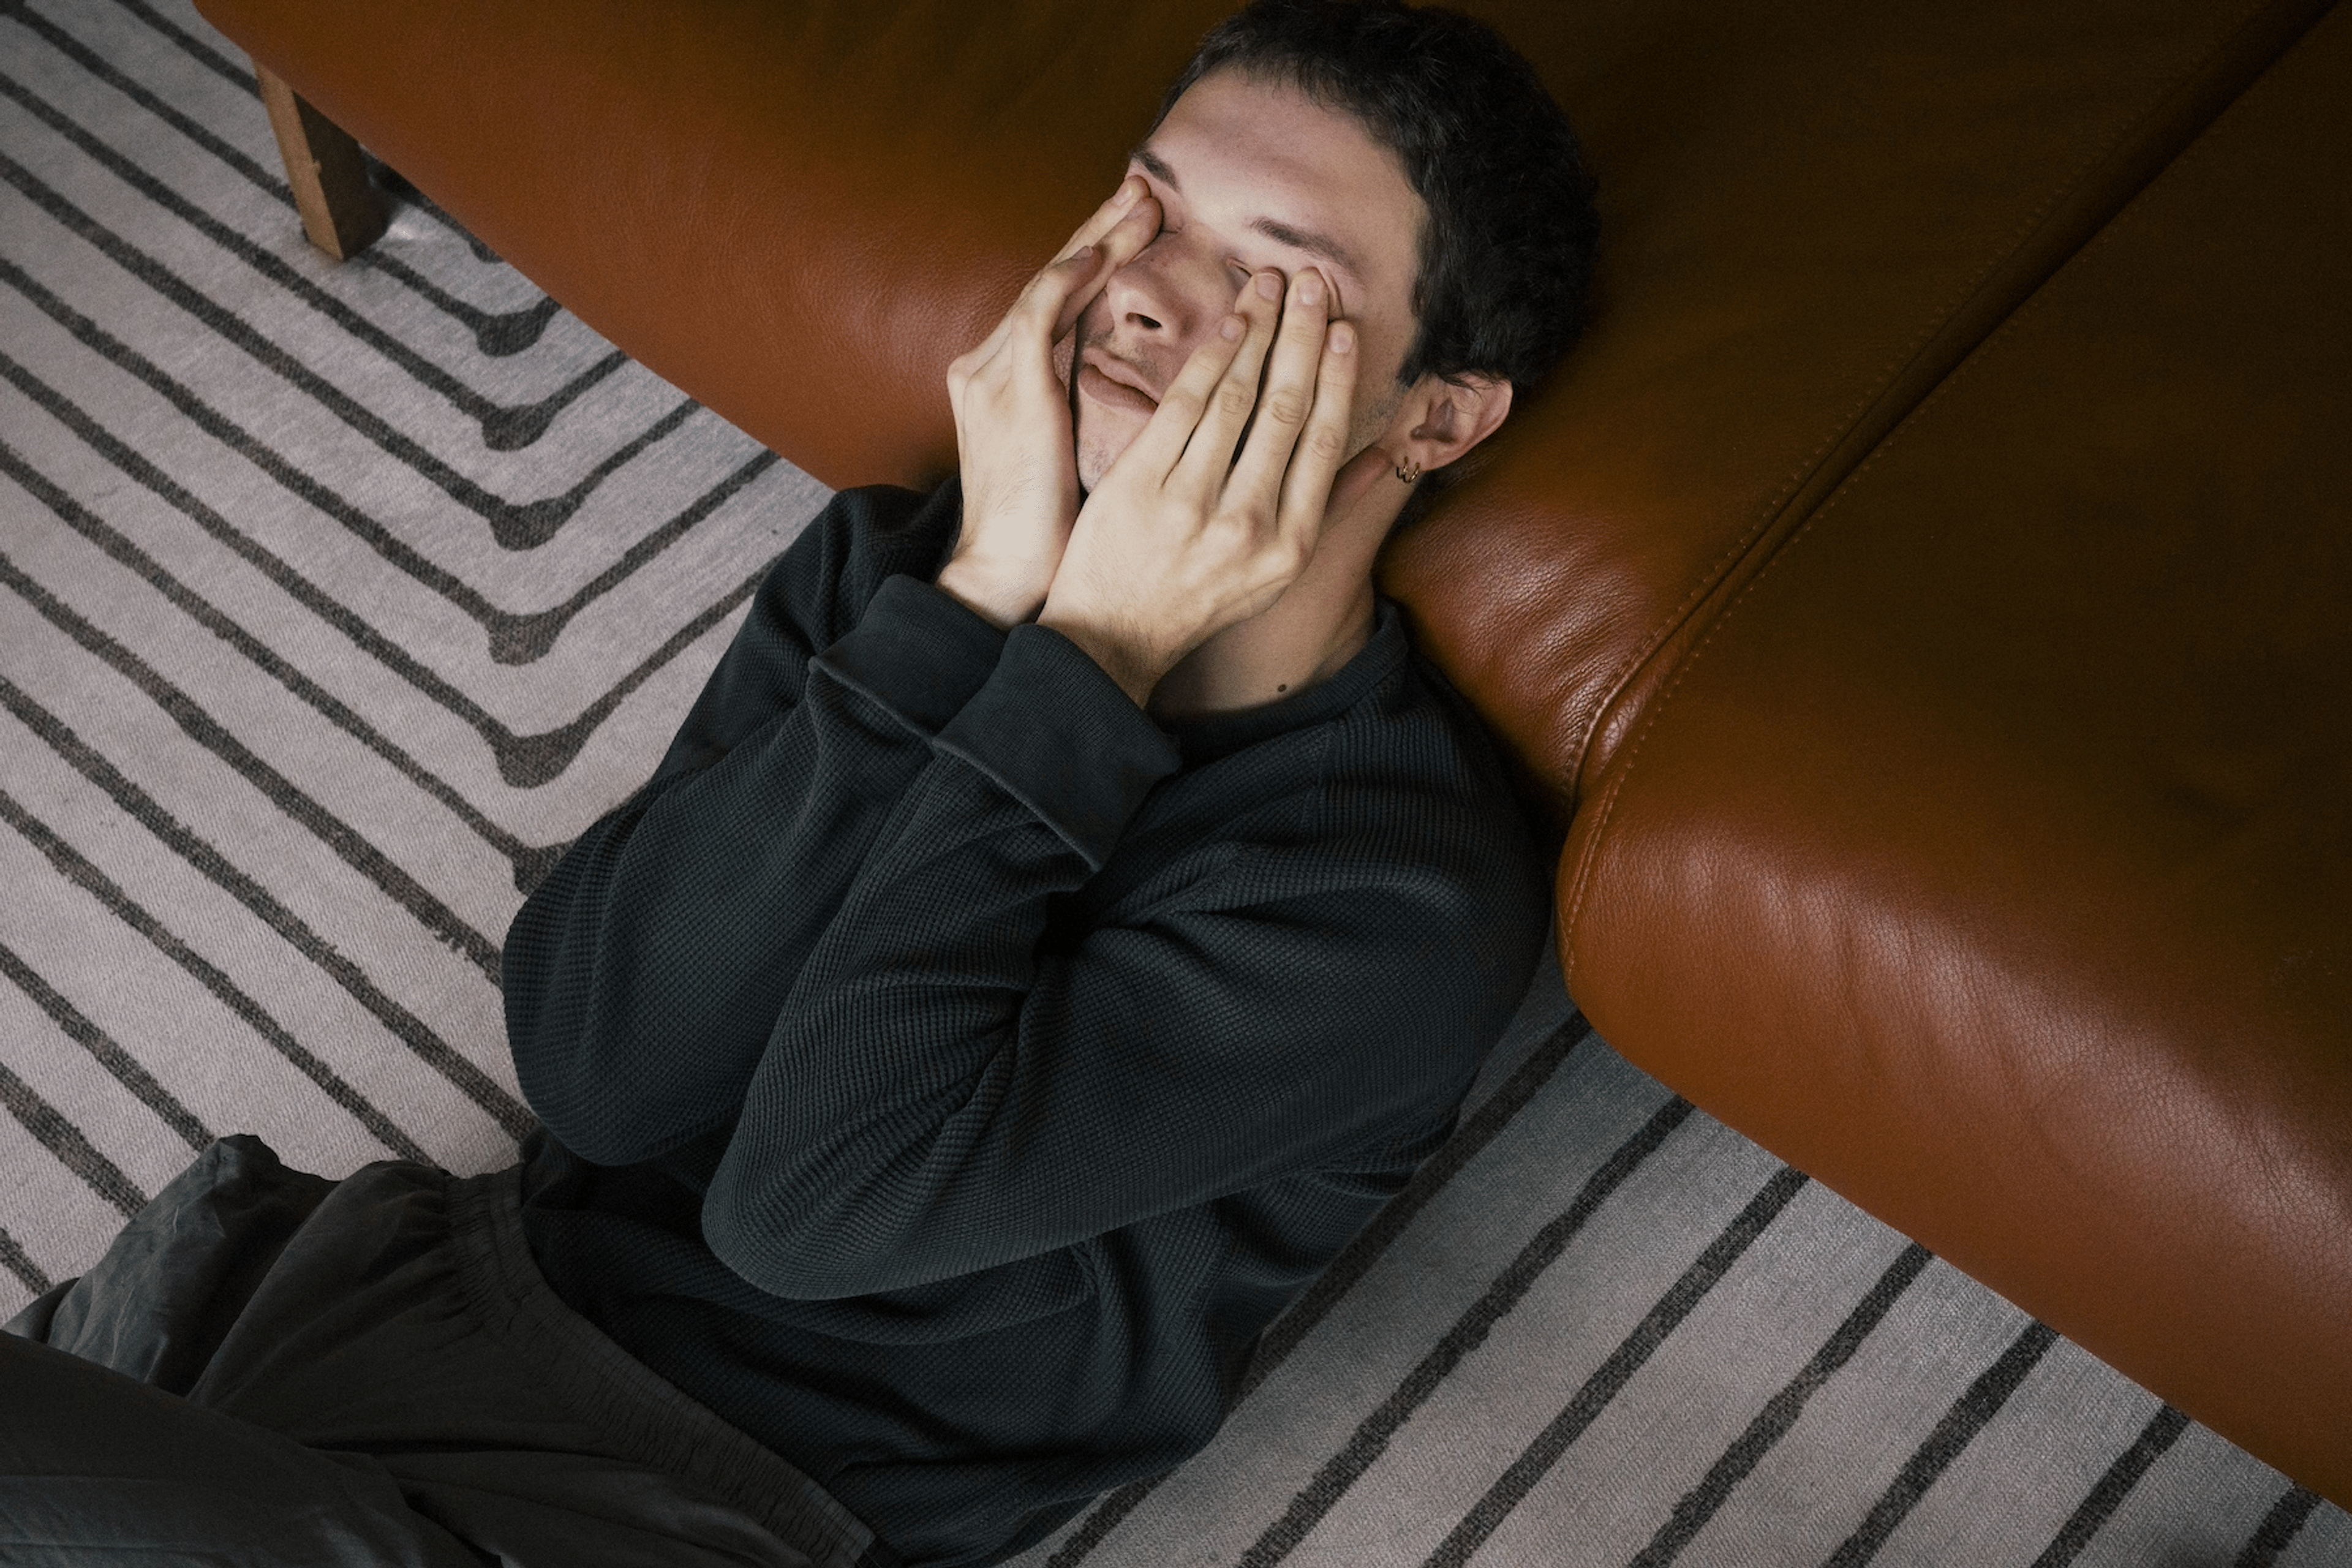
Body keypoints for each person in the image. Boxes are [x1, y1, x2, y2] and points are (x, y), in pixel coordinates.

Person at [0, 2, 1598, 1565]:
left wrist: (1091, 661)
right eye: (1149, 209)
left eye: (1269, 273)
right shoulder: (919, 571)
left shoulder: (1389, 892)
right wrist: (977, 610)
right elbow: (595, 1067)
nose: (1142, 295)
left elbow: (813, 1210)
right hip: (347, 1307)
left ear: (1435, 414)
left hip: (684, 1499)